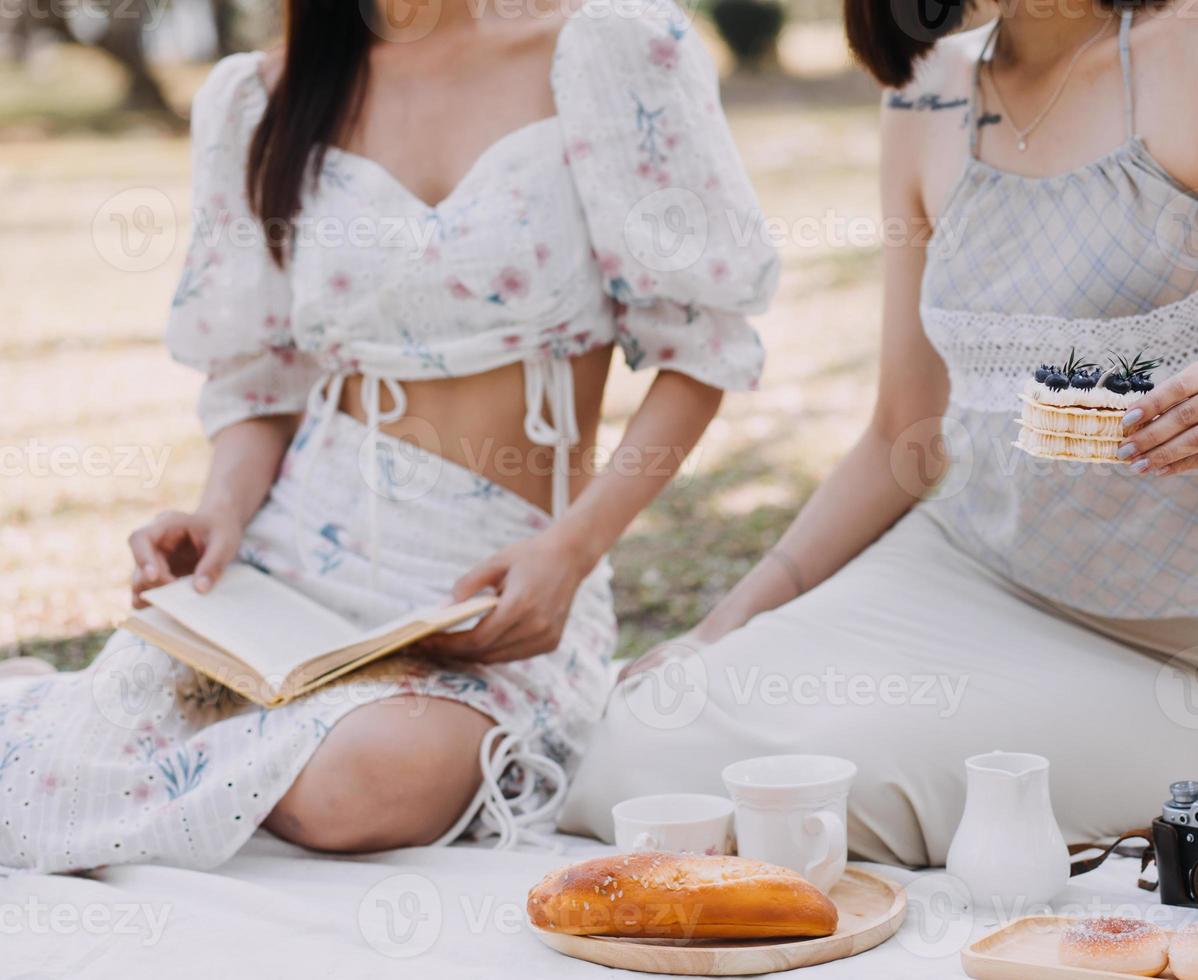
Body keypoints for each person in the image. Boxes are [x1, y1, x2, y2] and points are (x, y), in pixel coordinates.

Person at [559, 0, 1198, 865]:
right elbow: (900, 435)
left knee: (821, 795)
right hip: (963, 572)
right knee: (643, 745)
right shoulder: (926, 97)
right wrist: (713, 632)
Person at [0, 0, 775, 873]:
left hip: (494, 596)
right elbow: (262, 382)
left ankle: (92, 728)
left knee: (363, 785)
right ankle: (67, 717)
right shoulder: (262, 99)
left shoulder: (614, 50)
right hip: (290, 573)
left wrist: (573, 548)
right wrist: (219, 512)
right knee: (89, 746)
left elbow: (702, 348)